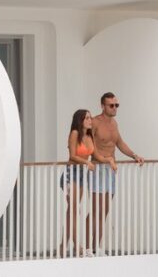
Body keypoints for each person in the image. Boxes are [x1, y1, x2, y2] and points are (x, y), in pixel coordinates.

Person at [89, 92, 143, 254]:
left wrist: (134, 155)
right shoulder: (95, 122)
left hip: (110, 170)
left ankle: (96, 247)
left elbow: (119, 143)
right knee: (96, 210)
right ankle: (89, 248)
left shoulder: (114, 123)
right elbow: (90, 146)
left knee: (104, 211)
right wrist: (104, 159)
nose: (114, 108)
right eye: (111, 105)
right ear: (102, 106)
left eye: (116, 105)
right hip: (98, 168)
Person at [58, 109, 96, 258]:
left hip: (81, 174)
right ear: (80, 120)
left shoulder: (89, 136)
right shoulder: (74, 133)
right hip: (71, 172)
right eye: (87, 118)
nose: (90, 120)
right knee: (74, 210)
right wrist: (87, 162)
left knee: (72, 210)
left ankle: (63, 245)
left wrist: (109, 160)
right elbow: (72, 155)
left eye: (90, 118)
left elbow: (95, 154)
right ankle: (76, 244)